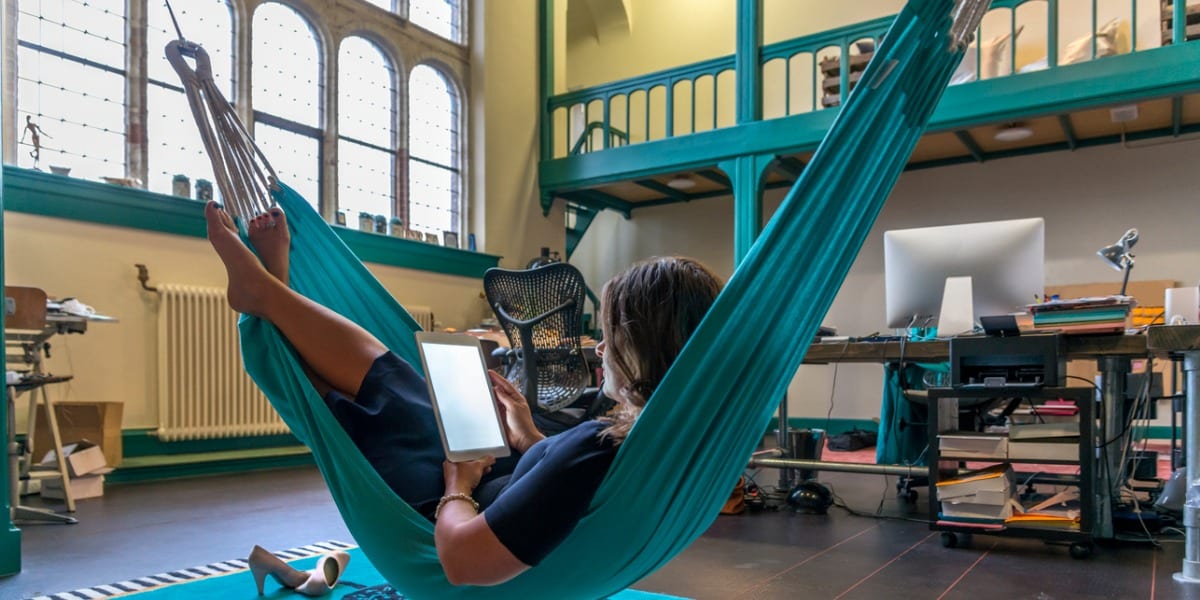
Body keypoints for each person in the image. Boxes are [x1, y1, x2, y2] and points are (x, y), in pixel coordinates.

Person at [203, 201, 721, 587]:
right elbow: (564, 487)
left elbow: (462, 561)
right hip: (490, 473)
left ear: (648, 351)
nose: (603, 347)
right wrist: (528, 438)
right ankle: (271, 293)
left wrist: (459, 482)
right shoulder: (650, 438)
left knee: (375, 398)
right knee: (404, 387)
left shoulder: (593, 449)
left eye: (616, 337)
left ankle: (270, 293)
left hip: (443, 505)